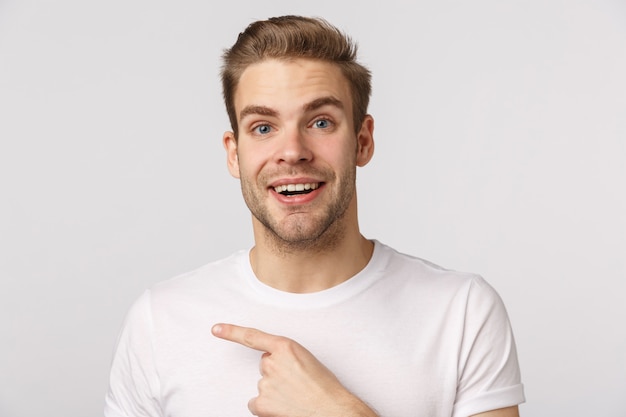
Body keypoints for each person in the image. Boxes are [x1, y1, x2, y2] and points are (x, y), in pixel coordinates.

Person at [104, 15, 525, 417]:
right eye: (263, 127)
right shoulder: (159, 321)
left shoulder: (462, 312)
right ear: (234, 153)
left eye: (321, 122)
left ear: (362, 141)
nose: (293, 150)